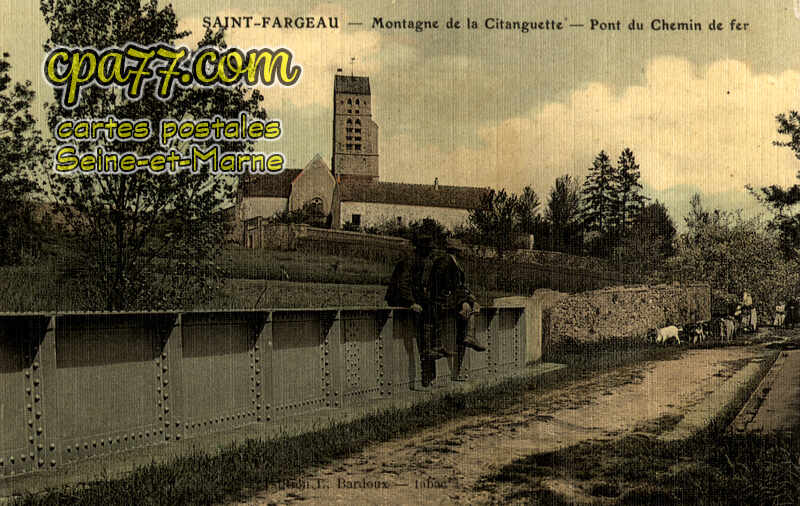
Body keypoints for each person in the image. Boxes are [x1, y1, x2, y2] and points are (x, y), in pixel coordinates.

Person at [385, 233, 452, 390]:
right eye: (429, 249)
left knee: (432, 310)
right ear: (422, 249)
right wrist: (411, 303)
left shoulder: (420, 260)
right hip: (398, 298)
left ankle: (434, 347)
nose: (431, 252)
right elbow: (403, 284)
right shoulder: (411, 261)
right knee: (425, 322)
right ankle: (430, 354)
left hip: (409, 297)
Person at [431, 238, 486, 382]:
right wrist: (462, 301)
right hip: (442, 300)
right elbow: (447, 287)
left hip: (451, 299)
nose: (462, 252)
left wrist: (470, 299)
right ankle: (468, 336)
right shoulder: (444, 262)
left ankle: (468, 336)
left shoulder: (454, 262)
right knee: (467, 308)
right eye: (460, 250)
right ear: (456, 250)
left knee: (472, 306)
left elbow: (459, 287)